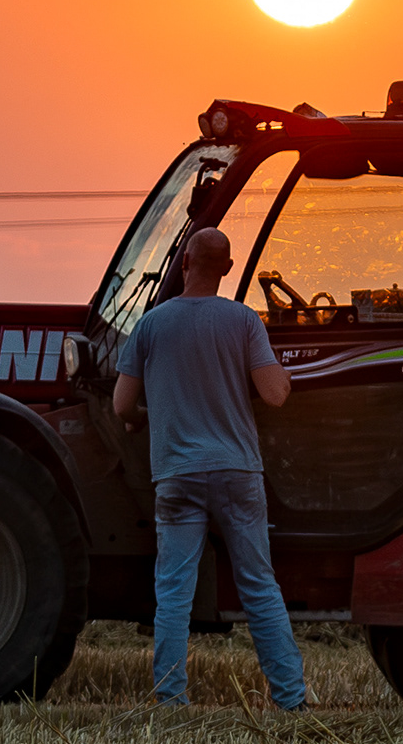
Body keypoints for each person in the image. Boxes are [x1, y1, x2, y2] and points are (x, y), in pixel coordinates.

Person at [110, 223, 308, 708]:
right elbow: (275, 395)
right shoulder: (244, 321)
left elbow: (120, 406)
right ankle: (291, 700)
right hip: (237, 472)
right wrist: (280, 372)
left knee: (174, 594)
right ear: (229, 268)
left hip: (176, 476)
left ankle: (172, 700)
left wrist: (143, 419)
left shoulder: (152, 324)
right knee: (259, 586)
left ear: (184, 264)